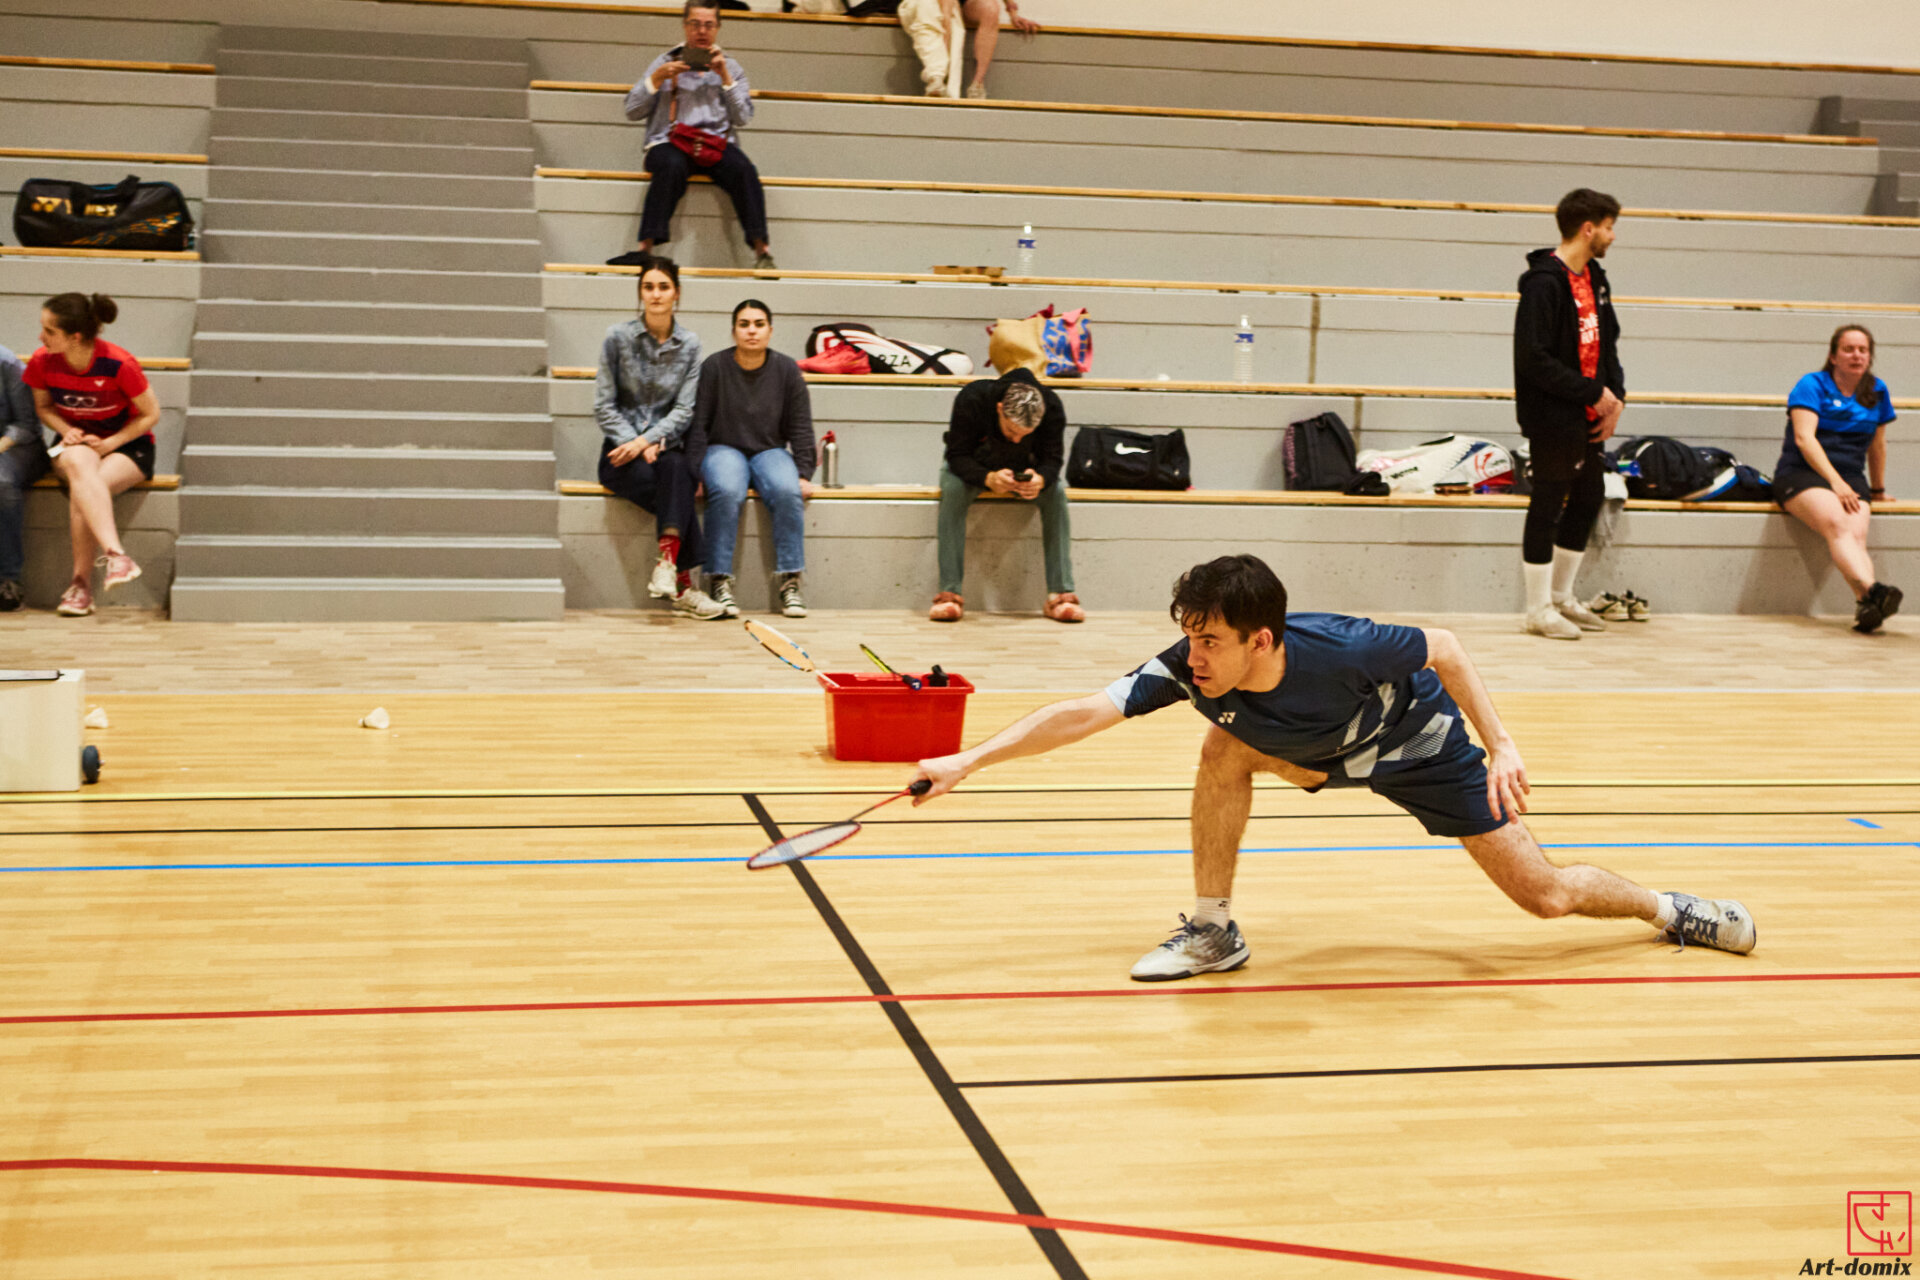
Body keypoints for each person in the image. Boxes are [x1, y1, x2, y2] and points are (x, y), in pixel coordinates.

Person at [912, 553, 1757, 980]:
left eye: (1211, 641)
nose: (1194, 657)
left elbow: (1446, 647)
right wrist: (968, 760)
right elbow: (1082, 712)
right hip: (1312, 756)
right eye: (1190, 637)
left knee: (1546, 896)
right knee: (1221, 746)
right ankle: (1213, 931)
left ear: (1261, 640)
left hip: (1418, 748)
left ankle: (1674, 910)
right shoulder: (1190, 669)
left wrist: (1501, 744)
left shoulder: (1344, 647)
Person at [1513, 188, 1624, 641]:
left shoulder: (1595, 278)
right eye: (1609, 227)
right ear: (1588, 228)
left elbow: (1608, 344)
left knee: (1588, 495)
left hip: (1588, 412)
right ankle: (1537, 609)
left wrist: (1616, 398)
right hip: (1552, 413)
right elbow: (1533, 359)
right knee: (1548, 501)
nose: (1613, 236)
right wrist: (1593, 393)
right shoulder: (1543, 284)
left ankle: (1560, 597)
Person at [595, 255, 726, 620]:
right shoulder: (617, 337)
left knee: (677, 469)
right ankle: (683, 586)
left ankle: (667, 566)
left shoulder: (690, 344)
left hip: (664, 448)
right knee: (678, 488)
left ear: (676, 293)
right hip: (621, 453)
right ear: (640, 292)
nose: (655, 294)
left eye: (663, 287)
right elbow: (604, 405)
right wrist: (636, 443)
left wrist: (651, 440)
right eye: (648, 287)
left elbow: (685, 410)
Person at [608, 1, 775, 270]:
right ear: (685, 26)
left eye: (709, 25)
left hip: (715, 144)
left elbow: (743, 117)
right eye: (695, 24)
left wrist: (725, 77)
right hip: (670, 142)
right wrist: (657, 79)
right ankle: (645, 249)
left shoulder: (731, 67)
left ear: (718, 28)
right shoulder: (664, 62)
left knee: (744, 170)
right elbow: (632, 111)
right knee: (671, 165)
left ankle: (762, 252)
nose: (702, 31)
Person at [24, 293, 156, 617]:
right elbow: (44, 408)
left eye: (49, 331)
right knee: (79, 465)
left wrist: (112, 443)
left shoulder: (119, 363)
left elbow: (151, 414)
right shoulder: (42, 361)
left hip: (126, 445)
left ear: (75, 337)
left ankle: (80, 586)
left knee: (85, 489)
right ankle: (117, 556)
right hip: (75, 443)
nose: (40, 337)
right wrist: (65, 428)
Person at [685, 299, 815, 619]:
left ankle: (790, 582)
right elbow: (698, 424)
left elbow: (800, 426)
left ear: (770, 330)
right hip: (722, 448)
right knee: (727, 490)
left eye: (759, 324)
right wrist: (694, 473)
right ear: (734, 331)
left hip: (770, 450)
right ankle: (719, 580)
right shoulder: (714, 367)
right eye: (744, 324)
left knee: (787, 491)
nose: (752, 331)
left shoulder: (787, 370)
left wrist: (804, 473)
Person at [1774, 324, 1901, 633]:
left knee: (1856, 535)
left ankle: (1868, 605)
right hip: (1802, 473)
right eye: (1848, 349)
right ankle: (1873, 591)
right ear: (1833, 356)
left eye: (1863, 350)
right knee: (1838, 524)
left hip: (1850, 476)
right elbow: (1804, 439)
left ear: (1870, 356)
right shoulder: (1812, 384)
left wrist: (1878, 489)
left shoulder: (1877, 391)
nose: (1856, 355)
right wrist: (1835, 482)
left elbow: (1877, 445)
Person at [930, 366, 1082, 623]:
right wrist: (987, 478)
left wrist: (1041, 479)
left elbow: (1053, 459)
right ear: (999, 408)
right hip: (974, 468)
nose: (1016, 440)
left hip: (1024, 471)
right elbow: (957, 455)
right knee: (953, 490)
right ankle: (949, 594)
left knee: (1056, 493)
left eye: (1025, 435)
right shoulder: (972, 398)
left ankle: (1061, 595)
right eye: (1011, 431)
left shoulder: (1052, 405)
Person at [897, 0, 1040, 99]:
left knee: (991, 8)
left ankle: (977, 84)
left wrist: (1013, 14)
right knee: (940, 18)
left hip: (962, 5)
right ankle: (938, 79)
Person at [0, 343, 48, 612]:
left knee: (1, 482)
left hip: (18, 446)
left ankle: (8, 579)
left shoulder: (6, 363)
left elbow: (27, 425)